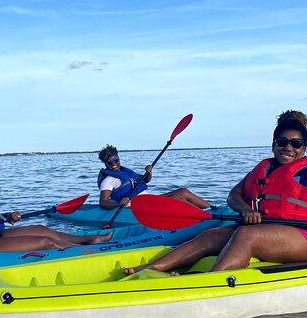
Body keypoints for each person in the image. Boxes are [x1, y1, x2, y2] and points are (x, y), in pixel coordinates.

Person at [123, 117, 307, 275]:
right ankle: (151, 267)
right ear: (273, 144)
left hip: (300, 235)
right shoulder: (264, 168)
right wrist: (246, 209)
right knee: (210, 236)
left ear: (304, 149)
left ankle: (211, 281)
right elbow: (234, 194)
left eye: (296, 144)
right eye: (282, 142)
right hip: (267, 229)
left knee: (246, 234)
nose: (288, 147)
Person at [97, 144, 210, 210]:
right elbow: (103, 202)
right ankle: (204, 216)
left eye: (116, 160)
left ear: (118, 158)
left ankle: (212, 209)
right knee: (175, 198)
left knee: (183, 192)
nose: (114, 164)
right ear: (105, 164)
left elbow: (145, 181)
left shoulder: (126, 172)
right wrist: (118, 203)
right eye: (110, 163)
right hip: (137, 208)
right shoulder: (108, 181)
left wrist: (149, 173)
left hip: (148, 200)